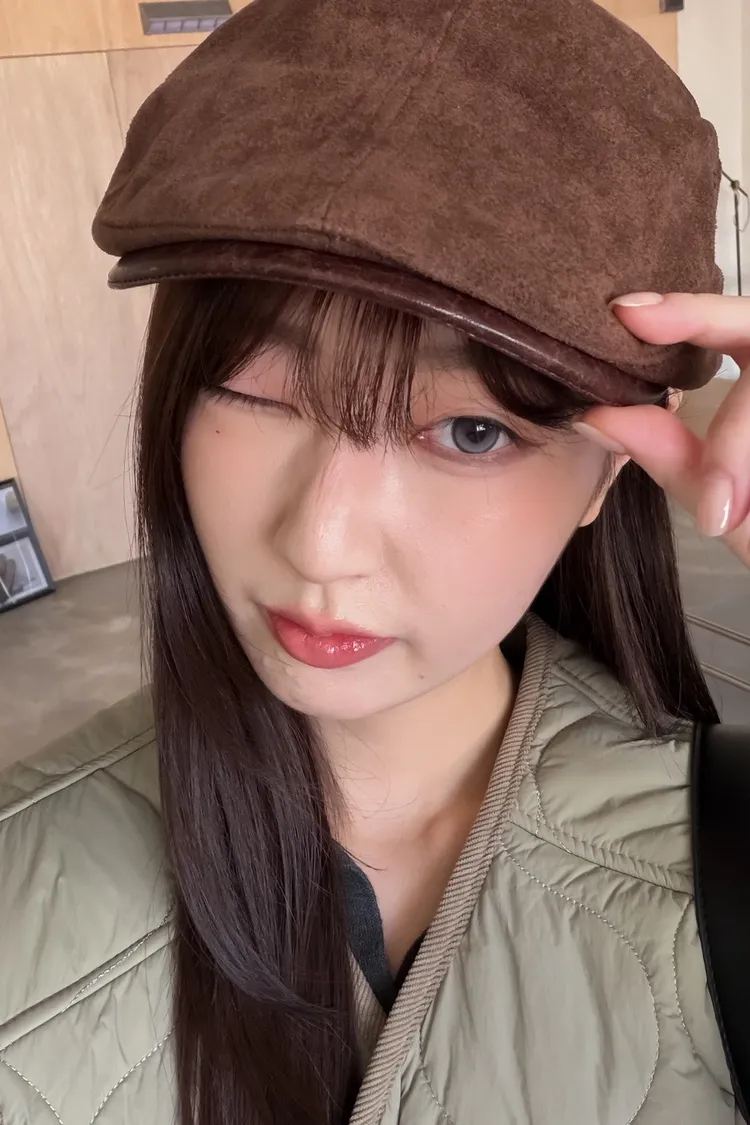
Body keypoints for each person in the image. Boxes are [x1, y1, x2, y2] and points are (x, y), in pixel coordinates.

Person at [1, 0, 749, 1121]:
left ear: (609, 470)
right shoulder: (20, 873)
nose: (322, 541)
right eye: (258, 388)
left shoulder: (721, 878)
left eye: (472, 431)